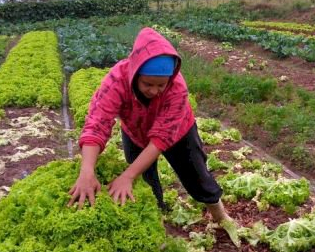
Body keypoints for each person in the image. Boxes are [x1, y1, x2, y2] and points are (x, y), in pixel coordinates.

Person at [67, 27, 233, 227]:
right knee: (145, 180)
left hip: (178, 132)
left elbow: (161, 140)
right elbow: (97, 123)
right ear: (135, 73)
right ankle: (157, 218)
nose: (154, 91)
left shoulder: (177, 88)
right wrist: (86, 172)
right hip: (135, 131)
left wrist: (127, 175)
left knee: (196, 175)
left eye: (161, 85)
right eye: (148, 84)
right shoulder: (117, 81)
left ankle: (220, 215)